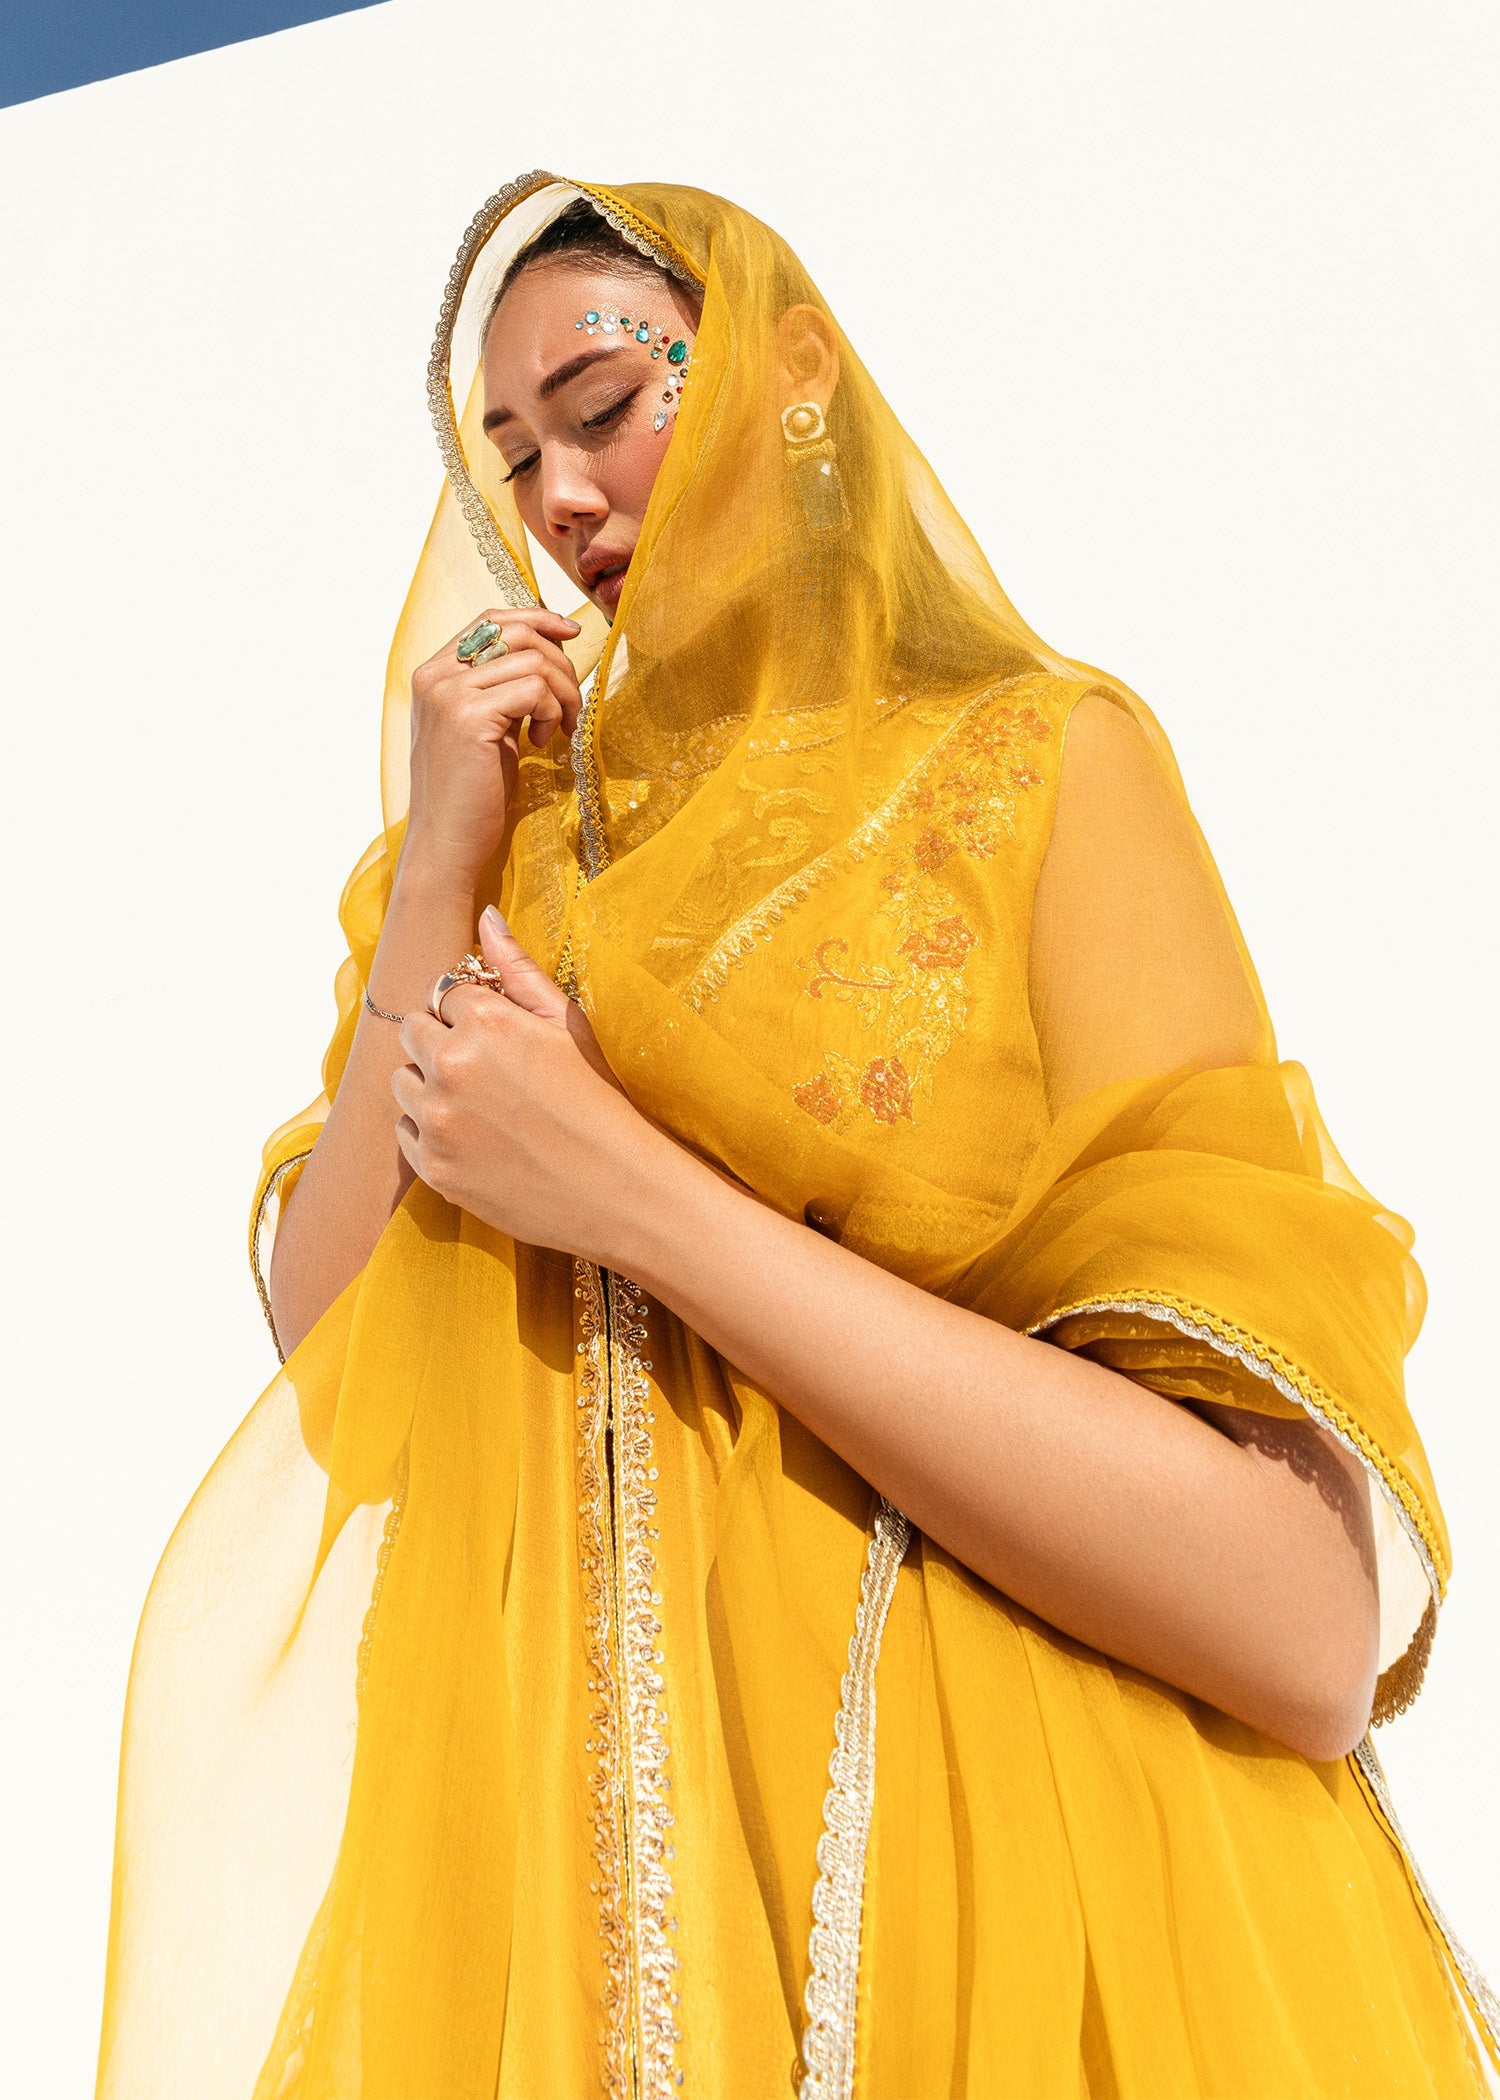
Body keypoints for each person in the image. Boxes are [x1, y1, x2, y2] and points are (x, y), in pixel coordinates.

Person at [96, 176, 1498, 2100]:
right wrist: (441, 863)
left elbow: (1300, 1618)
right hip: (596, 1937)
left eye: (605, 407)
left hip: (1018, 1899)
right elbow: (342, 1366)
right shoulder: (520, 856)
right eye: (510, 457)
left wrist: (626, 1193)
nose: (558, 497)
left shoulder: (1039, 768)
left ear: (794, 371)